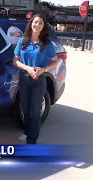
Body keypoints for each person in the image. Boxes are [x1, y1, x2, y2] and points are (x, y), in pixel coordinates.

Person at [13, 14, 58, 144]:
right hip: (24, 78)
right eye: (35, 22)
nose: (37, 25)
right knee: (25, 108)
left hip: (38, 80)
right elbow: (15, 61)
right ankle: (27, 131)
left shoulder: (46, 44)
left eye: (40, 23)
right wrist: (28, 68)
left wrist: (43, 70)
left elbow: (54, 61)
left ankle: (31, 141)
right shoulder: (23, 41)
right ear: (31, 23)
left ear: (43, 27)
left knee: (35, 110)